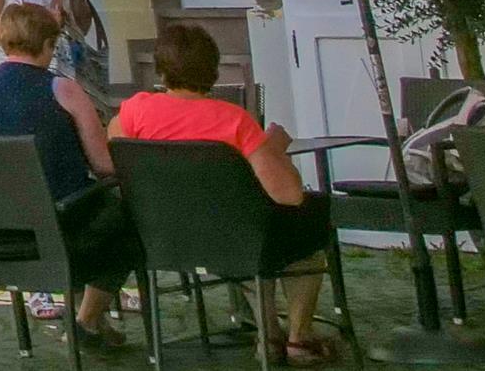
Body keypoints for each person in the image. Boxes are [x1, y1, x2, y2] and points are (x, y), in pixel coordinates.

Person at [114, 21, 337, 366]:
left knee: (250, 234)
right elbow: (289, 194)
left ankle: (268, 331)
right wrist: (273, 149)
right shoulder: (234, 120)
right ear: (213, 71)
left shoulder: (133, 112)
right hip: (234, 238)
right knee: (304, 235)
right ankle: (297, 338)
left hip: (162, 238)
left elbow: (114, 157)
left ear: (161, 70)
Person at [0, 2, 136, 353]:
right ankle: (85, 322)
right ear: (48, 45)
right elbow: (104, 165)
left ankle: (92, 321)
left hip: (0, 230)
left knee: (83, 208)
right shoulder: (63, 89)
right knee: (126, 223)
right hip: (59, 229)